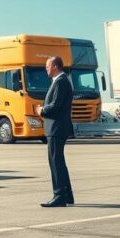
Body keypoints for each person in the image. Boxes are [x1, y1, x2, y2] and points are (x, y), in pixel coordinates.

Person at [40, 56, 74, 207]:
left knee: (55, 162)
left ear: (55, 66)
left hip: (56, 128)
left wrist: (42, 110)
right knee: (59, 161)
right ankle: (67, 195)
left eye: (47, 66)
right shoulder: (61, 81)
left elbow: (56, 105)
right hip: (57, 127)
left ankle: (59, 196)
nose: (46, 69)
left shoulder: (61, 81)